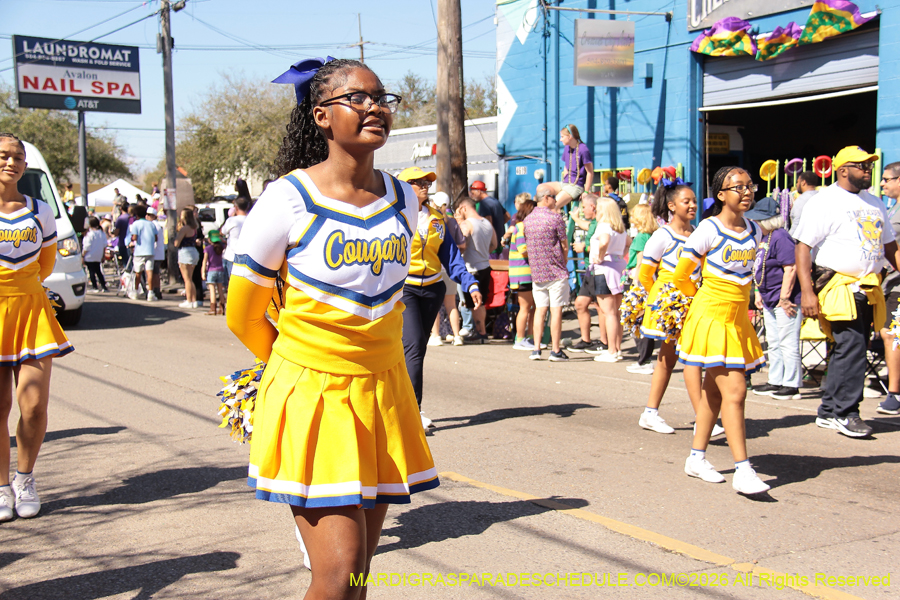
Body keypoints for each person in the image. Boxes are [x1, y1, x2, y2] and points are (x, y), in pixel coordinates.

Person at [225, 57, 438, 597]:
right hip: (313, 393)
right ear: (321, 115)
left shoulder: (404, 198)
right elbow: (243, 312)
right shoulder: (288, 198)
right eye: (358, 98)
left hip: (382, 393)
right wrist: (294, 373)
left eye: (381, 97)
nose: (376, 108)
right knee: (338, 570)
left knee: (360, 571)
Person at [673, 166, 769, 495]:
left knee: (714, 393)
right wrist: (701, 302)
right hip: (711, 317)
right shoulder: (707, 229)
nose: (746, 192)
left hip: (738, 319)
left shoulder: (755, 230)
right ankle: (743, 469)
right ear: (721, 195)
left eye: (749, 186)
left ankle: (696, 457)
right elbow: (681, 277)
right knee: (735, 392)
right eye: (737, 187)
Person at [794, 146, 900, 438]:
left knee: (850, 348)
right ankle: (847, 412)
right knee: (852, 347)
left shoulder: (876, 204)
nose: (868, 170)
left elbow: (890, 248)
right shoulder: (824, 201)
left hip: (869, 287)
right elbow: (803, 246)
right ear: (842, 170)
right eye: (861, 166)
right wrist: (807, 292)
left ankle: (829, 410)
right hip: (838, 285)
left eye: (869, 166)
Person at [0, 132, 73, 521]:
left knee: (33, 406)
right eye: (3, 156)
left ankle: (24, 479)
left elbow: (45, 265)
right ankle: (0, 488)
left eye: (17, 158)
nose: (10, 163)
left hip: (31, 311)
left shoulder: (40, 209)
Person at [397, 166, 481, 429]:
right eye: (417, 182)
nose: (424, 185)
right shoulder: (392, 215)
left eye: (427, 181)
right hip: (405, 290)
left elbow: (452, 258)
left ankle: (405, 405)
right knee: (412, 346)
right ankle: (411, 412)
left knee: (417, 349)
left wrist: (471, 283)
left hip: (432, 289)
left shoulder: (438, 219)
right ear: (403, 186)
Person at [636, 179, 699, 434]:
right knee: (677, 358)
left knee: (672, 359)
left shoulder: (696, 233)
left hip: (693, 302)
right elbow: (644, 274)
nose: (693, 205)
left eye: (694, 201)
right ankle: (702, 416)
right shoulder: (663, 235)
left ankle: (651, 412)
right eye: (687, 201)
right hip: (671, 307)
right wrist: (662, 303)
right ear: (672, 206)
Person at [747, 198, 802, 401]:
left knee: (788, 342)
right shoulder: (764, 238)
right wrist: (760, 292)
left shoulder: (781, 237)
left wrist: (785, 297)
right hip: (769, 297)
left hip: (783, 299)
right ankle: (776, 379)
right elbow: (760, 267)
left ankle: (792, 384)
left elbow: (791, 268)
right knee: (774, 341)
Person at [523, 183, 569, 361]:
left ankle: (536, 348)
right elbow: (564, 245)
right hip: (556, 271)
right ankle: (555, 349)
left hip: (537, 272)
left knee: (540, 310)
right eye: (554, 197)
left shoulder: (528, 220)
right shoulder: (555, 219)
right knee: (556, 310)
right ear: (547, 198)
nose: (556, 200)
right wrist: (563, 262)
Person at [590, 197, 629, 363]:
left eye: (598, 208)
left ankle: (611, 350)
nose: (595, 211)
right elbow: (629, 243)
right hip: (619, 266)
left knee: (609, 312)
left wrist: (599, 255)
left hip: (604, 268)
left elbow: (604, 241)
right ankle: (617, 348)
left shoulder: (604, 225)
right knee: (617, 311)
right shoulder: (620, 227)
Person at [427, 191, 466, 347]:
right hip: (450, 267)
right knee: (451, 304)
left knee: (434, 303)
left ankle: (435, 335)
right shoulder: (453, 222)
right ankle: (457, 336)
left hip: (434, 266)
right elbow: (462, 244)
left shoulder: (432, 221)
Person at [454, 196, 495, 342]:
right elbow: (494, 244)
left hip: (471, 268)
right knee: (481, 301)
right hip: (485, 265)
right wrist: (482, 252)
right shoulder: (487, 223)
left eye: (459, 209)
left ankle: (480, 333)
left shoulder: (466, 224)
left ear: (464, 208)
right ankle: (481, 331)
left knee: (472, 303)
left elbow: (462, 244)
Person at [569, 194, 605, 354]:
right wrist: (576, 219)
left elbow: (604, 243)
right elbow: (587, 227)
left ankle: (605, 342)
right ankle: (586, 340)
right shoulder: (593, 223)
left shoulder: (602, 223)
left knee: (601, 307)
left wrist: (584, 247)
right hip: (590, 270)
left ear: (593, 207)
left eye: (584, 207)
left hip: (599, 269)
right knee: (580, 303)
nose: (583, 210)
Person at [625, 203, 659, 374]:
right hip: (653, 278)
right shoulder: (653, 235)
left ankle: (644, 360)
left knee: (636, 321)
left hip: (640, 280)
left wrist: (636, 286)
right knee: (644, 320)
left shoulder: (641, 238)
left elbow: (640, 264)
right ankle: (644, 359)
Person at [878, 161, 900, 415]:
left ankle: (894, 393)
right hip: (890, 284)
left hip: (897, 287)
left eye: (887, 179)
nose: (882, 184)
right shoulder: (891, 209)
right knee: (889, 334)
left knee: (892, 335)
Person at [509, 197, 537, 350]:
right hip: (522, 274)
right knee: (525, 307)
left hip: (528, 273)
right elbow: (523, 250)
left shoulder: (523, 227)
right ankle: (519, 339)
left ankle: (530, 337)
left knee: (531, 307)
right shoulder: (520, 227)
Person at [547, 124, 593, 210]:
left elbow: (590, 172)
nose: (560, 139)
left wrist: (586, 191)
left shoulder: (583, 149)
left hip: (576, 185)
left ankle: (556, 216)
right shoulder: (566, 148)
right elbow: (566, 167)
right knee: (541, 188)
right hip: (566, 183)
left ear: (570, 136)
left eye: (562, 137)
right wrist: (565, 178)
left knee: (553, 205)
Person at [469, 181, 509, 258]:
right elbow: (507, 216)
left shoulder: (484, 204)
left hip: (490, 247)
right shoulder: (495, 201)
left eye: (473, 193)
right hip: (499, 244)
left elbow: (487, 223)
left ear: (479, 191)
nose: (471, 195)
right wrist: (498, 225)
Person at [127, 204, 157, 301]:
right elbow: (156, 238)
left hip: (139, 251)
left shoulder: (136, 224)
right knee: (150, 272)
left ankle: (135, 292)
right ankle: (151, 293)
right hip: (150, 250)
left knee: (138, 273)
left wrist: (131, 239)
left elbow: (134, 237)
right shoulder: (151, 224)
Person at [221, 195, 250, 283]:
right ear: (247, 206)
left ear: (236, 207)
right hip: (248, 254)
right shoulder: (251, 219)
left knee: (232, 283)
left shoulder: (231, 221)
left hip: (232, 255)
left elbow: (222, 232)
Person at [174, 207, 200, 309]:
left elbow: (177, 243)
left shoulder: (184, 229)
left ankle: (189, 300)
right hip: (193, 251)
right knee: (190, 278)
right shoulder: (194, 228)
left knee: (187, 279)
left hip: (185, 252)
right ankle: (193, 300)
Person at [202, 230, 227, 315]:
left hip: (211, 271)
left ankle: (213, 309)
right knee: (220, 290)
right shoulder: (221, 247)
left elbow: (205, 261)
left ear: (209, 239)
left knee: (212, 291)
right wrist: (221, 239)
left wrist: (203, 272)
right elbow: (225, 243)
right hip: (220, 270)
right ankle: (222, 308)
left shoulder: (208, 249)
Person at [82, 216, 109, 293]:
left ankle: (95, 287)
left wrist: (83, 255)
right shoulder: (101, 233)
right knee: (98, 271)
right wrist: (103, 255)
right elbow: (104, 245)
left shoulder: (89, 234)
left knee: (91, 272)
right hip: (98, 255)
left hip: (89, 256)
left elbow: (87, 246)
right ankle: (104, 286)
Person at [146, 207, 165, 300]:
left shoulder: (154, 225)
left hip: (155, 253)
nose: (147, 217)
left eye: (149, 215)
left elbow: (155, 240)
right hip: (158, 252)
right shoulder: (156, 225)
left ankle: (156, 290)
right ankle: (155, 289)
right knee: (154, 273)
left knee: (154, 273)